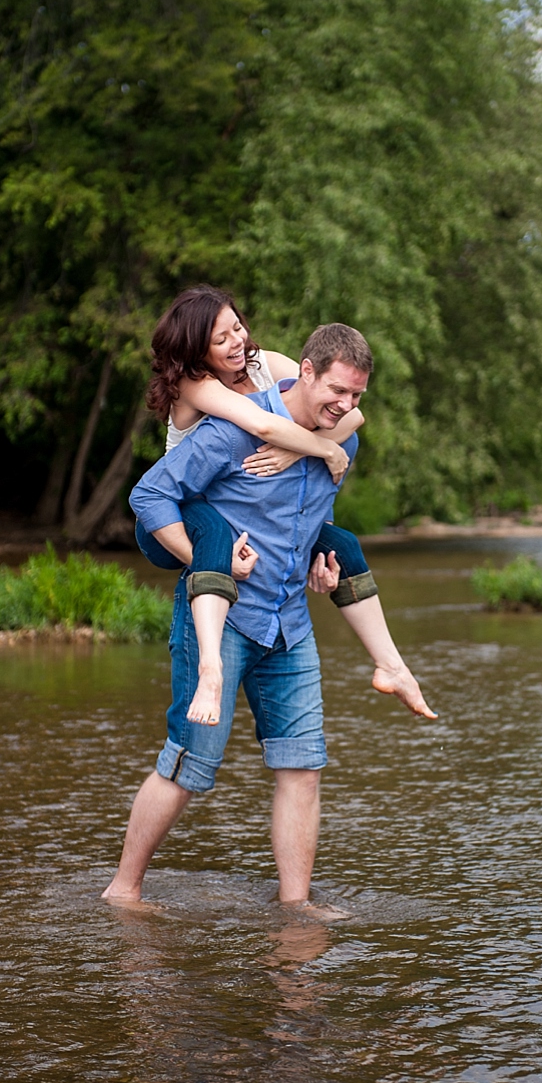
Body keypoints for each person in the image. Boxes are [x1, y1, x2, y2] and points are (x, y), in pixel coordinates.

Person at [102, 323, 436, 909]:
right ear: (304, 371)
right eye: (337, 391)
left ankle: (295, 906)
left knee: (303, 767)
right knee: (189, 766)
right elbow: (149, 496)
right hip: (222, 617)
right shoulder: (231, 430)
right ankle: (123, 889)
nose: (346, 406)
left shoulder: (341, 440)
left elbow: (308, 521)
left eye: (357, 397)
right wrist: (207, 558)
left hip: (288, 625)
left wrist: (318, 568)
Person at [136, 287, 382, 726]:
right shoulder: (196, 383)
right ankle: (210, 668)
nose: (237, 342)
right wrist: (323, 450)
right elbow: (263, 424)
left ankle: (391, 664)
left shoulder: (260, 361)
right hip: (181, 512)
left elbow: (350, 414)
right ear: (196, 349)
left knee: (340, 543)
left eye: (237, 327)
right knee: (215, 538)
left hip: (243, 511)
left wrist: (299, 451)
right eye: (221, 339)